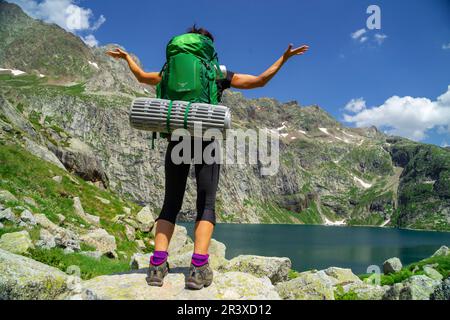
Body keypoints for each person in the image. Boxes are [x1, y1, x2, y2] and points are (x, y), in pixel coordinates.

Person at [106, 25, 309, 290]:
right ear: (209, 48)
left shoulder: (169, 71)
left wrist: (127, 59)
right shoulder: (216, 73)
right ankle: (198, 268)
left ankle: (156, 267)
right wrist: (284, 59)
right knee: (207, 205)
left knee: (170, 203)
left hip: (177, 138)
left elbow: (143, 78)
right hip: (206, 140)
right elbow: (259, 81)